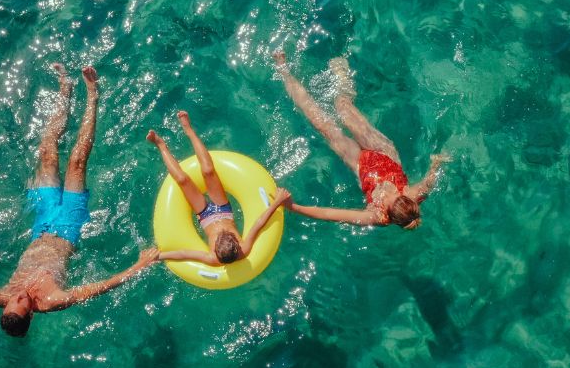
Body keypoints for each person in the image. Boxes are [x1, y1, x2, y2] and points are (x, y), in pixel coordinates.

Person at [0, 64, 159, 337]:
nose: (18, 295)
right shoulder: (52, 300)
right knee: (77, 161)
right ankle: (93, 95)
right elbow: (99, 287)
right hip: (68, 225)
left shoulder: (3, 297)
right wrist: (139, 266)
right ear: (31, 313)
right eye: (22, 302)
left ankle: (64, 90)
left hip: (41, 222)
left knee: (47, 152)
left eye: (12, 301)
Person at [272, 51, 450, 229]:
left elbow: (330, 214)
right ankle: (343, 76)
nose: (388, 192)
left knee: (322, 124)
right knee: (342, 106)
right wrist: (436, 164)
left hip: (360, 165)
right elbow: (427, 185)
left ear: (388, 214)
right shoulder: (410, 195)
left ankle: (284, 71)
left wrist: (293, 207)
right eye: (396, 193)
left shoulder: (374, 216)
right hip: (383, 151)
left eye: (388, 199)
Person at [146, 110, 290, 265]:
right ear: (236, 241)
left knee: (182, 180)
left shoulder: (212, 259)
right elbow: (259, 223)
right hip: (224, 209)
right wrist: (276, 203)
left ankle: (160, 144)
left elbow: (184, 253)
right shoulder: (245, 248)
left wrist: (158, 256)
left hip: (205, 216)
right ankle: (189, 130)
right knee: (208, 170)